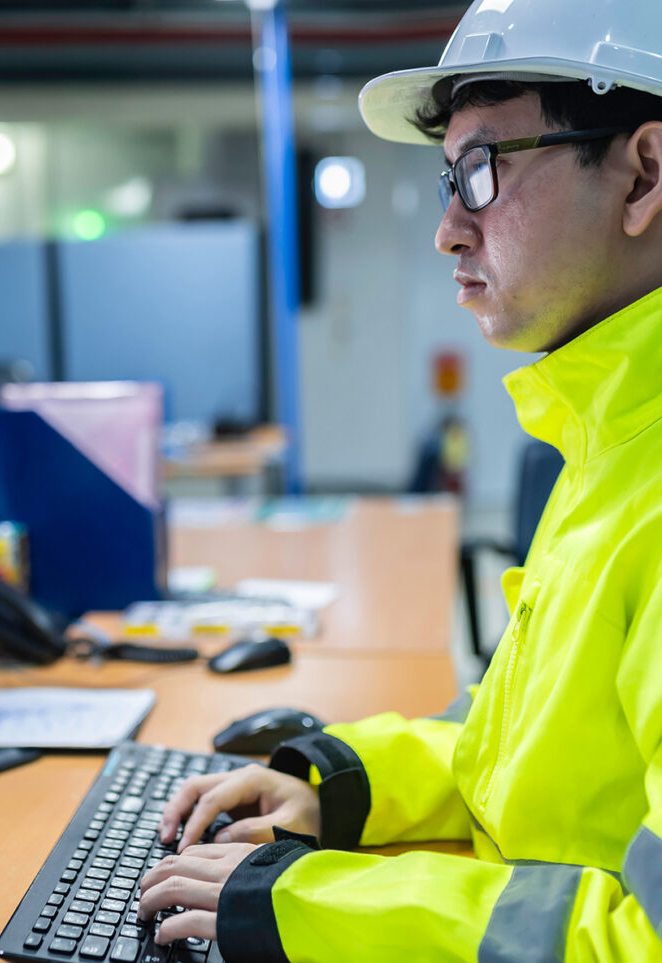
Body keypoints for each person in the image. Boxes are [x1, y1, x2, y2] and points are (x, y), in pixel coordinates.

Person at [138, 1, 662, 959]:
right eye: (446, 178)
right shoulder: (613, 446)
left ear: (644, 173)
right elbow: (519, 743)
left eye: (482, 169)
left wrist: (322, 907)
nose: (449, 230)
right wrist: (341, 780)